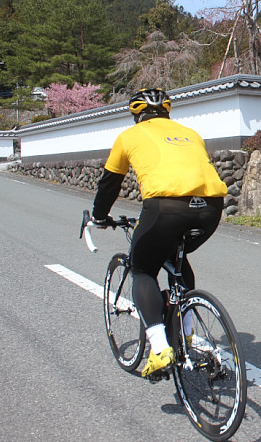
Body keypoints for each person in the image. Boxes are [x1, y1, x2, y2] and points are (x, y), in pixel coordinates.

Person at [92, 88, 227, 378]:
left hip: (165, 208)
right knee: (176, 259)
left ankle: (159, 348)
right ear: (166, 112)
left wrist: (99, 216)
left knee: (142, 269)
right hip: (211, 209)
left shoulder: (129, 137)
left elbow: (110, 183)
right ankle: (187, 332)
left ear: (136, 114)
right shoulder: (190, 133)